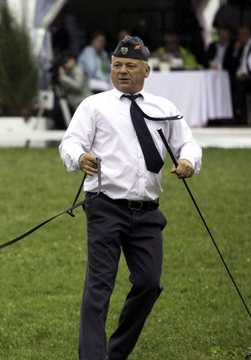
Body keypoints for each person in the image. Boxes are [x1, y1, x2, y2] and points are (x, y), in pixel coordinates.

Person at [59, 35, 202, 360]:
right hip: (105, 207)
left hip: (148, 213)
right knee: (99, 289)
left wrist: (188, 161)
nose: (122, 71)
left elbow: (188, 143)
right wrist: (79, 158)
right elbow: (70, 143)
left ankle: (117, 352)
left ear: (146, 71)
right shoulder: (94, 106)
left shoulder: (164, 108)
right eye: (117, 65)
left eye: (130, 66)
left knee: (149, 284)